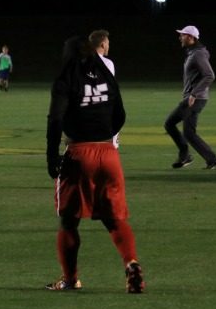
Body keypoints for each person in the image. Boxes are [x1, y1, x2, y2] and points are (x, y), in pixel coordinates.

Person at [45, 36, 144, 293]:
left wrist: (51, 155)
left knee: (69, 221)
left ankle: (70, 279)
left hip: (79, 154)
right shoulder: (104, 73)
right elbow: (121, 112)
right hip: (109, 153)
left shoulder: (66, 77)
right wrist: (105, 133)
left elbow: (55, 119)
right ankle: (131, 262)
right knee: (114, 218)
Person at [164, 25, 216, 169]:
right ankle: (186, 155)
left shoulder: (198, 54)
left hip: (196, 99)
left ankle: (213, 159)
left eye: (183, 35)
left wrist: (194, 93)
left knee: (188, 133)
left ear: (191, 37)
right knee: (170, 124)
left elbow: (210, 75)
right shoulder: (193, 52)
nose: (180, 37)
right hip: (191, 98)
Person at [89, 29, 120, 148]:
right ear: (102, 44)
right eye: (107, 43)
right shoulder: (107, 63)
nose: (108, 46)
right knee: (110, 148)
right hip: (102, 110)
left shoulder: (79, 61)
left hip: (82, 110)